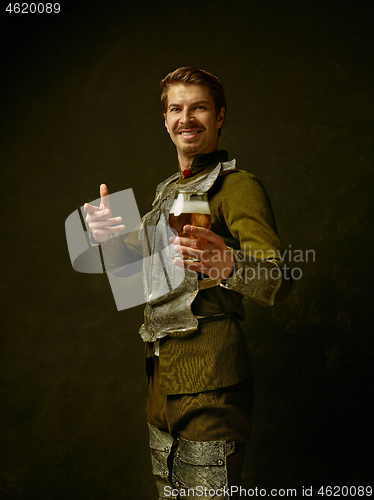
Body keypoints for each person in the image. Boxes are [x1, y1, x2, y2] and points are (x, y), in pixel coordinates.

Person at [84, 67, 291, 500]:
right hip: (161, 383)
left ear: (218, 117)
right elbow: (138, 276)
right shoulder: (166, 192)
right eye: (176, 108)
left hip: (212, 382)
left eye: (198, 107)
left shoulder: (237, 186)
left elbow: (280, 279)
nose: (186, 118)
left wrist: (229, 264)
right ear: (165, 121)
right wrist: (104, 239)